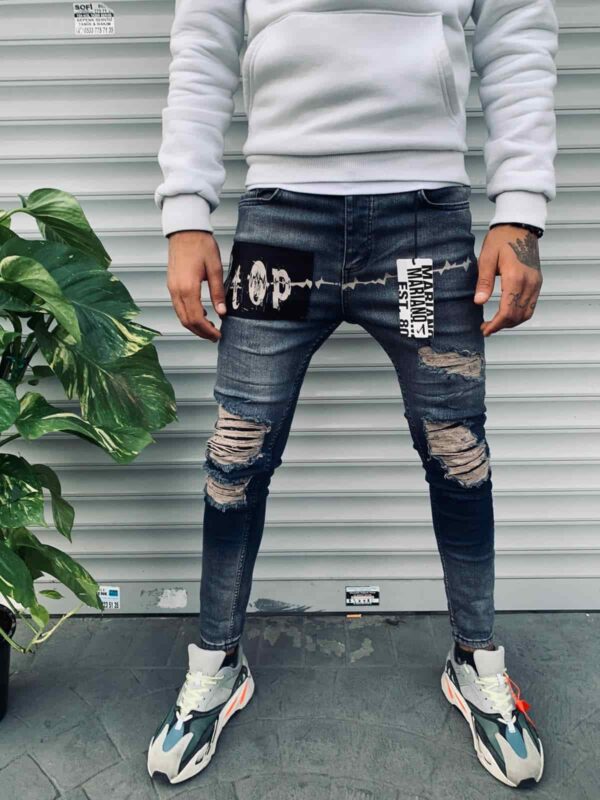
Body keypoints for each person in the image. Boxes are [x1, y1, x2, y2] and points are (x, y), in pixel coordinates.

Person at [146, 0, 559, 789]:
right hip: (283, 221)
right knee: (236, 456)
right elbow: (203, 36)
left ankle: (475, 660)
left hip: (420, 229)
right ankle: (217, 663)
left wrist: (521, 211)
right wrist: (186, 212)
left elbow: (516, 25)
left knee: (457, 453)